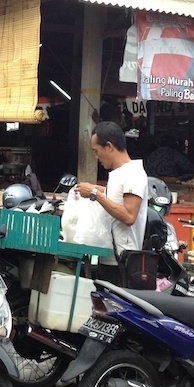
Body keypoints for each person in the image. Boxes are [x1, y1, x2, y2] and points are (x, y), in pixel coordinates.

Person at [73, 121, 148, 284]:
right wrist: (95, 189)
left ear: (109, 146)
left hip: (123, 263)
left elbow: (129, 216)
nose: (96, 157)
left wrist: (94, 194)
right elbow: (115, 198)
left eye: (96, 151)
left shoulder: (133, 173)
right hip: (109, 259)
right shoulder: (119, 173)